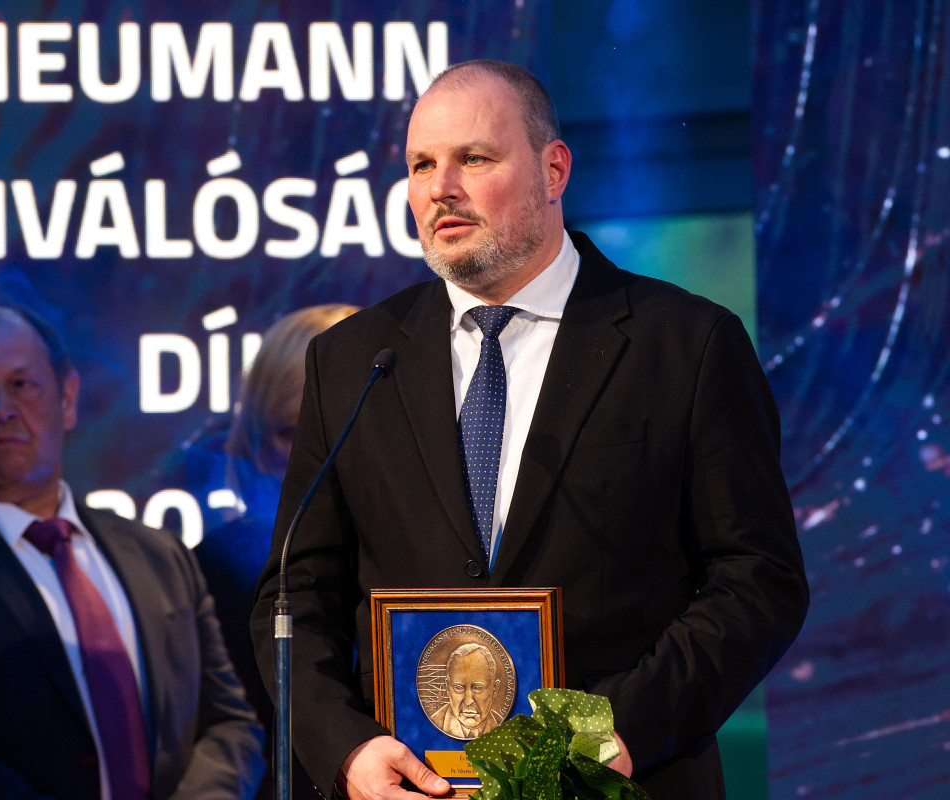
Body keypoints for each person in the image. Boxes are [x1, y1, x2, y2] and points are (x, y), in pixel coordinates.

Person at [251, 60, 808, 800]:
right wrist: (348, 751)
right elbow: (294, 598)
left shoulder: (686, 346)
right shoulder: (352, 361)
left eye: (474, 158)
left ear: (553, 170)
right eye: (422, 165)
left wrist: (618, 732)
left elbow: (757, 581)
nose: (441, 188)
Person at [0, 305, 264, 800]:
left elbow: (230, 723)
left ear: (68, 397)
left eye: (23, 384)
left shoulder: (160, 556)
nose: (2, 409)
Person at [192, 304, 359, 800]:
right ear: (257, 441)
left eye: (350, 425)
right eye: (296, 432)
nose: (323, 453)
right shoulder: (216, 571)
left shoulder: (442, 559)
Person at [429, 644, 504, 739]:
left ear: (495, 689)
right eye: (458, 688)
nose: (468, 701)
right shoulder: (432, 725)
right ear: (447, 688)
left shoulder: (503, 725)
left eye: (478, 688)